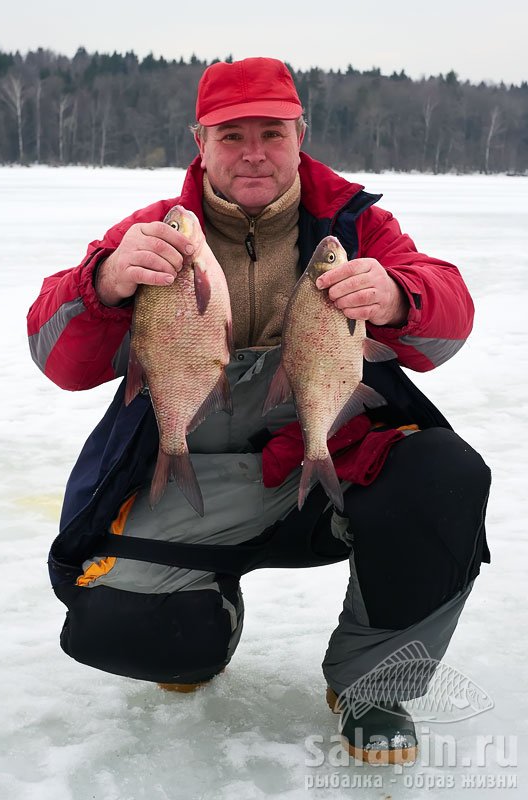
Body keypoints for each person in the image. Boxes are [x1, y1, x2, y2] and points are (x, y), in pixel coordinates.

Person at [27, 57, 491, 764]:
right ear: (200, 141)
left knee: (442, 475)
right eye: (231, 134)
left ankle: (372, 686)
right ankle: (204, 618)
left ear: (301, 134)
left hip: (330, 467)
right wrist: (102, 282)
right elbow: (57, 357)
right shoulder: (154, 234)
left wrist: (401, 295)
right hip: (196, 482)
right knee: (118, 628)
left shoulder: (357, 228)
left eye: (272, 133)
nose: (253, 153)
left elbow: (447, 326)